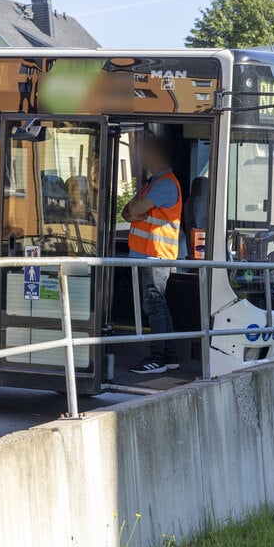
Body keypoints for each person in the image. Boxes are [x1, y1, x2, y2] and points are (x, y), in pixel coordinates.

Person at [121, 134, 182, 374]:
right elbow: (128, 212)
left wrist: (137, 211)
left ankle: (157, 358)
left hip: (155, 256)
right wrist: (136, 211)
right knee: (158, 306)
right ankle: (168, 356)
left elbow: (134, 209)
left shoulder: (166, 183)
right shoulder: (152, 182)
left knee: (155, 306)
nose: (141, 157)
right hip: (146, 255)